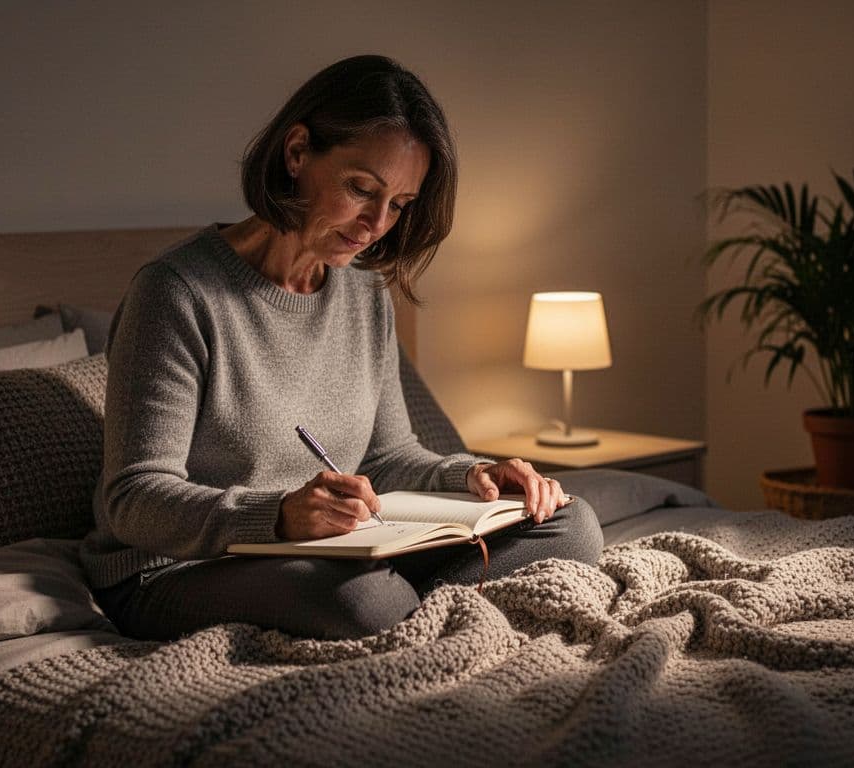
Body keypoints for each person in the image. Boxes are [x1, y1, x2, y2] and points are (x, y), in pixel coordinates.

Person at [82, 54, 602, 641]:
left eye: (400, 204)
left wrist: (475, 475)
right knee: (364, 600)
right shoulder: (176, 293)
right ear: (298, 152)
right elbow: (134, 498)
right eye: (361, 189)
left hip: (335, 553)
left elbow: (387, 456)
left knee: (571, 523)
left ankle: (418, 617)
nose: (377, 223)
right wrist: (277, 515)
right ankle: (422, 615)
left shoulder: (364, 292)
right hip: (179, 570)